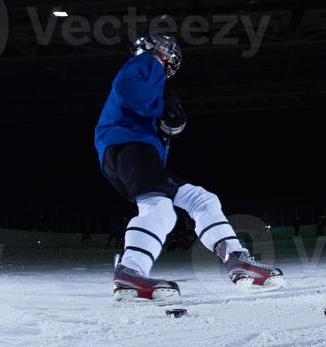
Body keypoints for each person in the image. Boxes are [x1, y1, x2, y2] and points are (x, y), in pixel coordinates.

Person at [95, 24, 284, 303]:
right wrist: (160, 110)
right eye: (164, 45)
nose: (168, 52)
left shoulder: (150, 75)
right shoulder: (147, 63)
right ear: (154, 46)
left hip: (130, 151)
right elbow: (125, 88)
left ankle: (236, 258)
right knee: (160, 209)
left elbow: (137, 105)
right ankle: (130, 271)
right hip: (129, 146)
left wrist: (165, 127)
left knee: (201, 199)